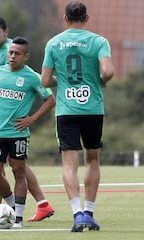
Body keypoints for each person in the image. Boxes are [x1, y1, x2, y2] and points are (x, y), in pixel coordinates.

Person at [0, 16, 55, 224]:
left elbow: (49, 98)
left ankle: (16, 216)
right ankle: (9, 206)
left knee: (19, 171)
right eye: (10, 53)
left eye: (16, 54)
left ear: (25, 56)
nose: (11, 56)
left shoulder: (30, 77)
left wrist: (32, 119)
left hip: (18, 133)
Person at [41, 1, 114, 232]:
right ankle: (90, 212)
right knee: (92, 159)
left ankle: (77, 214)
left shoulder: (54, 43)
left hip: (67, 111)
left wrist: (61, 82)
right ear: (87, 17)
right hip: (93, 109)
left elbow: (44, 81)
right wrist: (100, 81)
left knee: (69, 164)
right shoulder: (99, 41)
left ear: (65, 18)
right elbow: (108, 71)